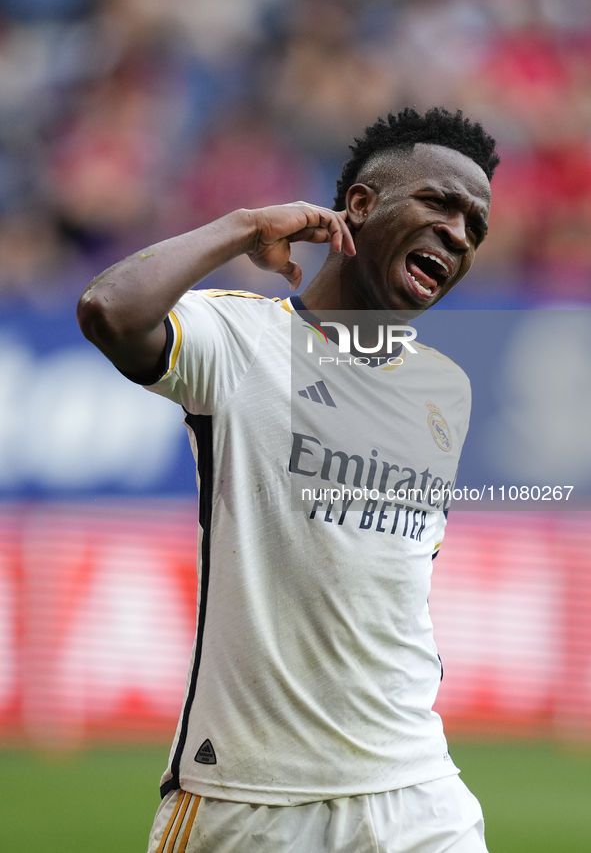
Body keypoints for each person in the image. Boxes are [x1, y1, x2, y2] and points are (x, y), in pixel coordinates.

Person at [77, 107, 499, 853]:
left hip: (415, 791)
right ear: (360, 207)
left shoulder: (445, 389)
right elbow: (110, 310)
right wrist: (244, 226)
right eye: (439, 202)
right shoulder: (242, 338)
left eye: (474, 224)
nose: (459, 233)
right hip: (248, 799)